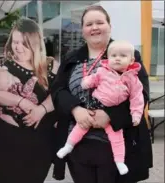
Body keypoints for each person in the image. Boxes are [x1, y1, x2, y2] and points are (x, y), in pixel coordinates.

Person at [51, 5, 152, 183]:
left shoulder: (127, 54)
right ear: (83, 30)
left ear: (109, 26)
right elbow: (58, 90)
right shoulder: (72, 57)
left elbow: (141, 94)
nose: (94, 27)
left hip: (116, 142)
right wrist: (75, 109)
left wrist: (109, 115)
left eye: (100, 22)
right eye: (89, 24)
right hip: (78, 144)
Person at [0, 17, 59, 183]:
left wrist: (42, 110)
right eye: (15, 42)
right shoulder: (1, 63)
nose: (18, 48)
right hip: (4, 140)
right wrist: (22, 102)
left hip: (40, 142)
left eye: (24, 43)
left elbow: (59, 95)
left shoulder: (51, 66)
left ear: (36, 42)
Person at [56, 40, 145, 176]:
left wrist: (136, 115)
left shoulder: (132, 78)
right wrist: (86, 84)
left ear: (131, 60)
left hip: (113, 119)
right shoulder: (101, 70)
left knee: (117, 138)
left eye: (122, 56)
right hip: (94, 107)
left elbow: (138, 98)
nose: (117, 58)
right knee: (80, 128)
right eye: (114, 56)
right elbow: (92, 79)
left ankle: (119, 161)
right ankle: (68, 146)